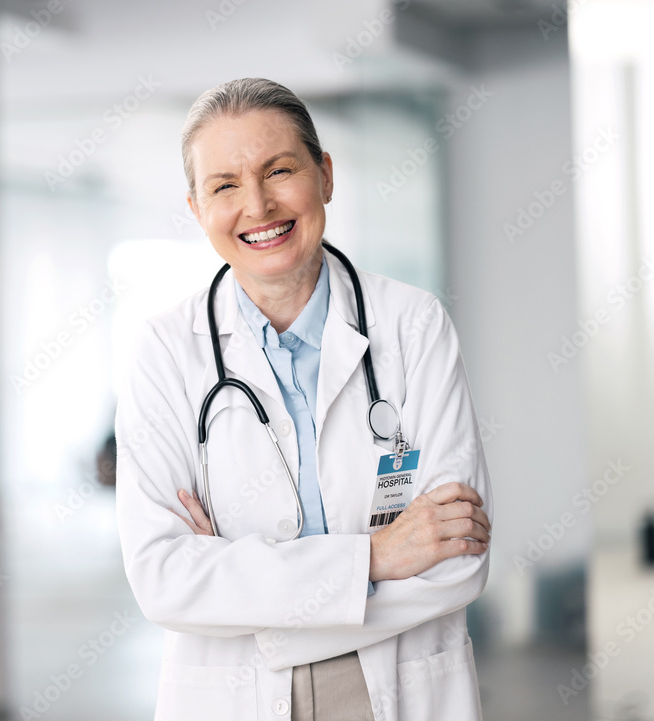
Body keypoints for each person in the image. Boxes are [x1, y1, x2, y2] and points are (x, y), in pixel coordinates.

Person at [114, 78, 493, 721]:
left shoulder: (413, 326)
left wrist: (243, 594)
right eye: (224, 185)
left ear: (324, 176)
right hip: (235, 698)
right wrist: (376, 557)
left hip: (399, 688)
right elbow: (164, 580)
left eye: (279, 170)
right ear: (196, 208)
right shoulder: (164, 352)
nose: (257, 205)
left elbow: (455, 563)